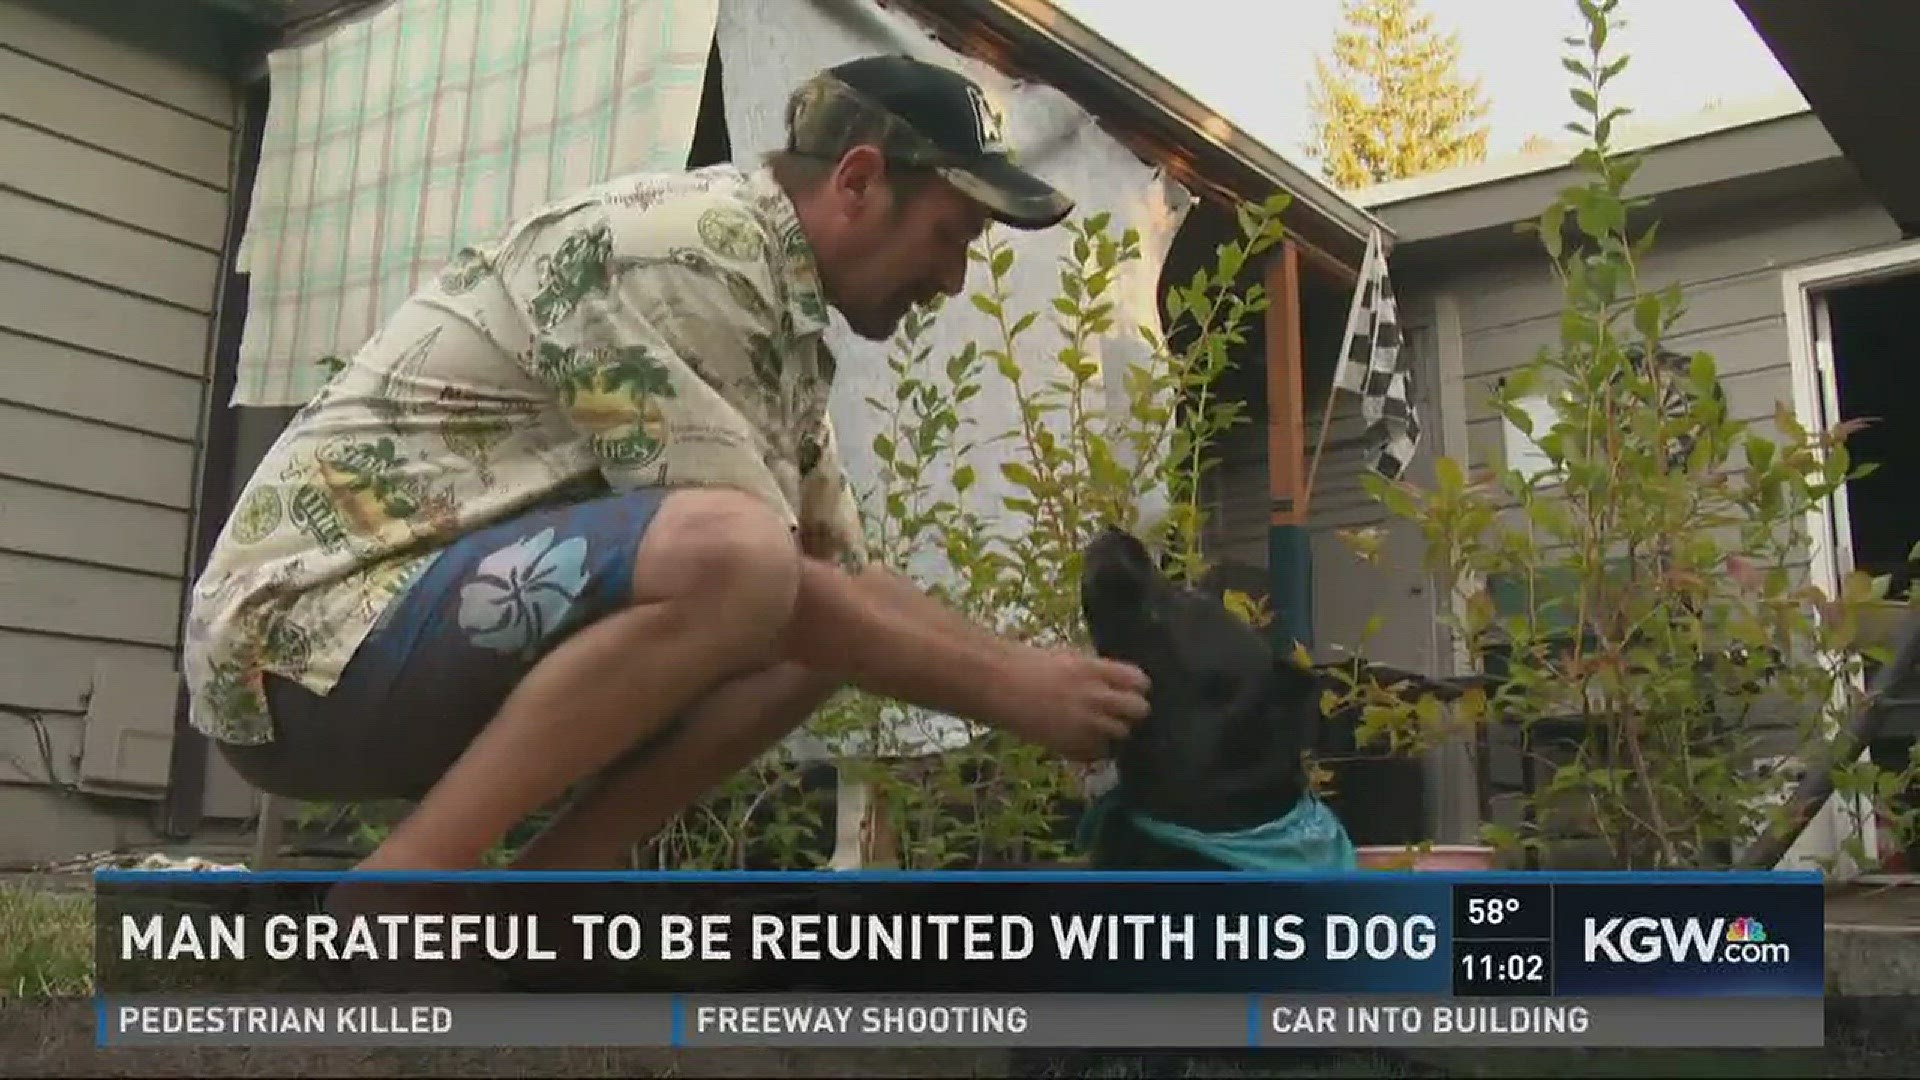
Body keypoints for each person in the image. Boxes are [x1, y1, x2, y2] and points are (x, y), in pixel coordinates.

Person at [183, 54, 1152, 872]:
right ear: (857, 182)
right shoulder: (685, 254)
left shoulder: (778, 318)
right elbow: (752, 573)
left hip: (396, 651)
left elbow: (848, 587)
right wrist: (1007, 692)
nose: (952, 277)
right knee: (744, 563)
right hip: (302, 647)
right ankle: (407, 897)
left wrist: (1033, 670)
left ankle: (538, 912)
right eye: (952, 235)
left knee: (811, 630)